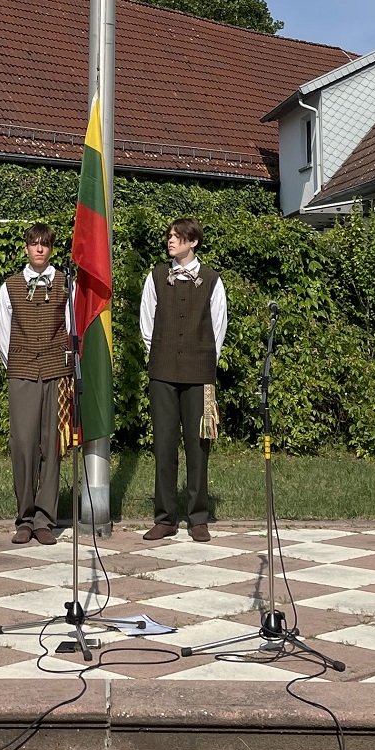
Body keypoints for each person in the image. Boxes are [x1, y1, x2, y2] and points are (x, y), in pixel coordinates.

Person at [139, 217, 227, 543]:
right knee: (164, 445)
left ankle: (198, 517)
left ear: (193, 242)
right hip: (162, 373)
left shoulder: (213, 280)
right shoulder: (157, 277)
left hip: (200, 375)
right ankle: (164, 518)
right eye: (170, 236)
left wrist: (203, 363)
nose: (170, 241)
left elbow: (218, 329)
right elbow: (147, 324)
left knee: (198, 444)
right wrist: (162, 355)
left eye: (177, 237)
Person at [0, 223, 72, 546]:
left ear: (51, 249)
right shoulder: (10, 286)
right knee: (23, 444)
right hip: (22, 371)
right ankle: (24, 517)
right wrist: (16, 364)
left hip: (56, 370)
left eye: (45, 244)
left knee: (51, 445)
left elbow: (71, 326)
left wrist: (64, 366)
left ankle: (45, 519)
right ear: (26, 248)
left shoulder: (65, 282)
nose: (39, 249)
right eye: (34, 244)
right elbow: (3, 333)